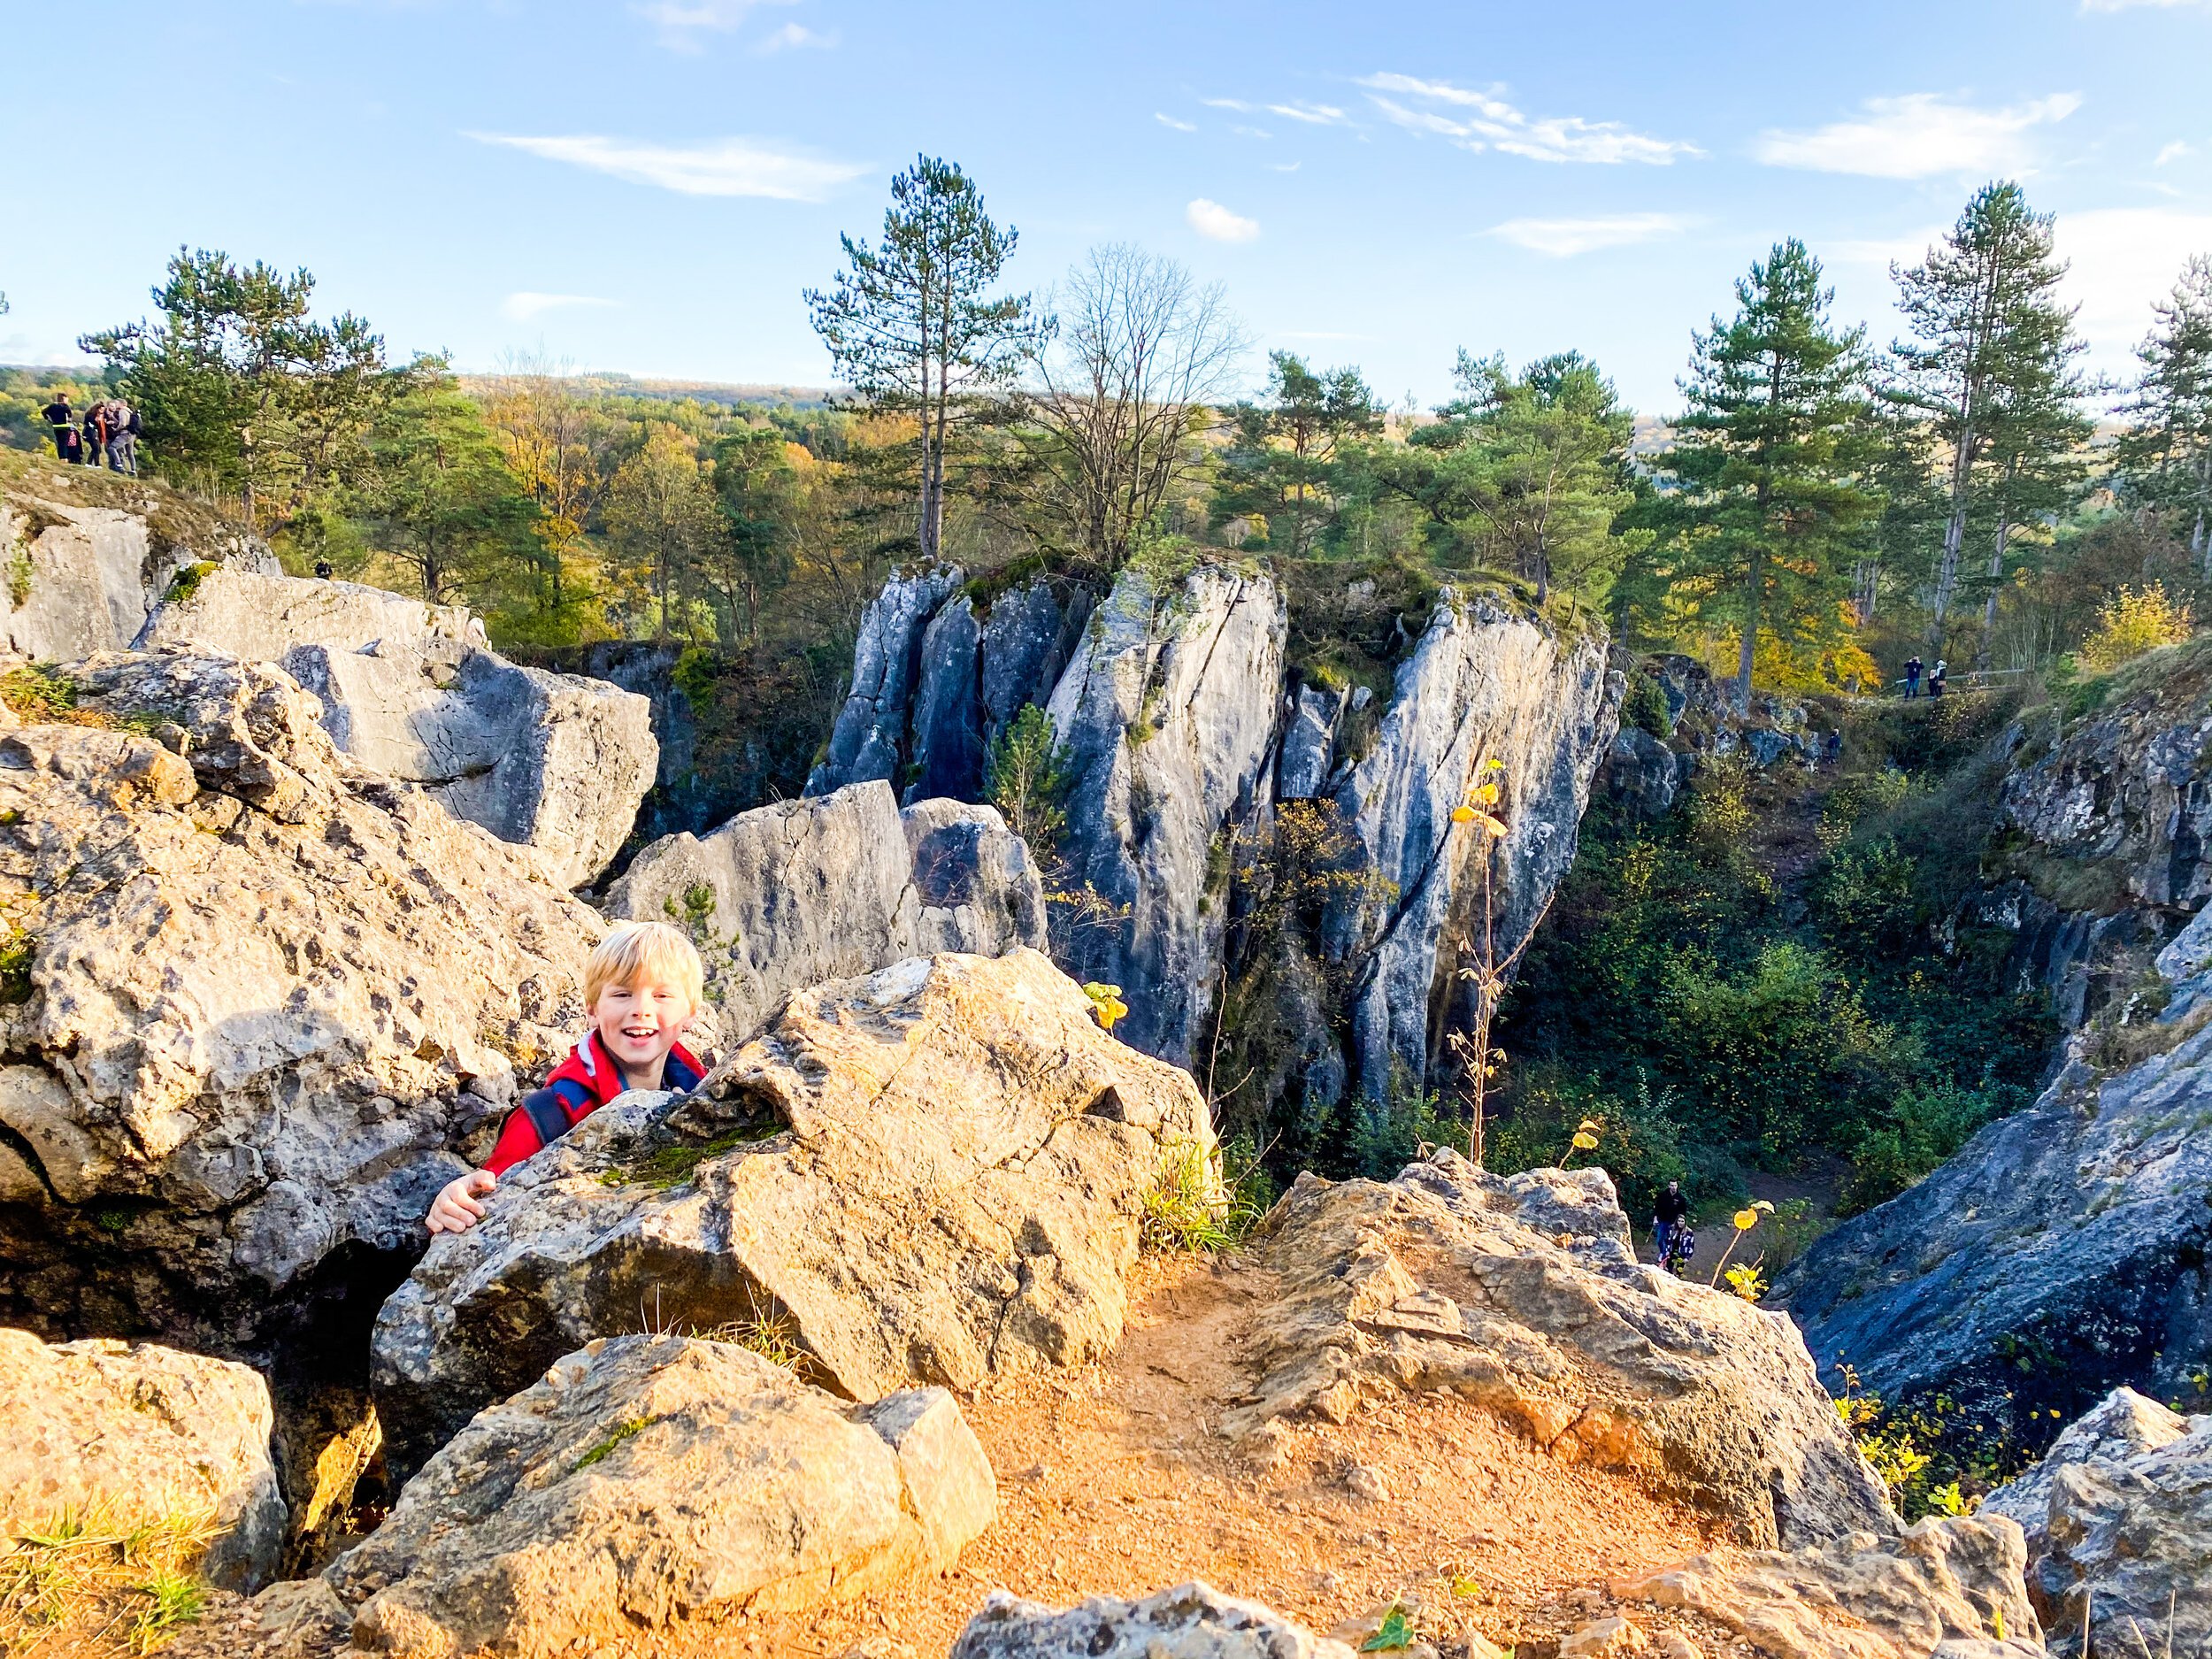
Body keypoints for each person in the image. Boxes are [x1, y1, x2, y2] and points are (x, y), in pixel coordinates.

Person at [425, 921, 708, 1235]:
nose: (641, 1009)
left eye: (662, 996)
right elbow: (487, 1191)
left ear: (691, 1013)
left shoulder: (710, 1097)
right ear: (592, 1010)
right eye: (622, 994)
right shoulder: (552, 1113)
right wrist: (454, 1199)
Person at [1652, 1179, 1693, 1274]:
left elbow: (1683, 1213)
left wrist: (1680, 1224)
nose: (1673, 1187)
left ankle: (1667, 1259)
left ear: (1677, 1186)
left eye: (1675, 1185)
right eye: (1672, 1185)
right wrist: (1655, 1218)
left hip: (1674, 1224)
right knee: (1659, 1240)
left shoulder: (1681, 1198)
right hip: (1662, 1221)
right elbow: (1657, 1207)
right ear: (1669, 1186)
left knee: (1670, 1241)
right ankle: (1663, 1252)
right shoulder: (1663, 1195)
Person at [40, 392, 77, 462]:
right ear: (64, 398)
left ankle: (61, 457)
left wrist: (49, 419)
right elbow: (69, 418)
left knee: (59, 442)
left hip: (56, 426)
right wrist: (70, 424)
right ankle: (65, 458)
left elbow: (43, 412)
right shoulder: (65, 407)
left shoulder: (52, 406)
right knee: (65, 442)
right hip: (64, 427)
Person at [106, 396, 138, 476]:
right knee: (130, 453)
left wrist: (116, 429)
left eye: (117, 403)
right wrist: (113, 417)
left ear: (121, 404)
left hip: (125, 434)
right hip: (132, 434)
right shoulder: (129, 411)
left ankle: (119, 464)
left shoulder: (122, 411)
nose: (115, 404)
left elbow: (123, 424)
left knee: (112, 448)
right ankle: (133, 470)